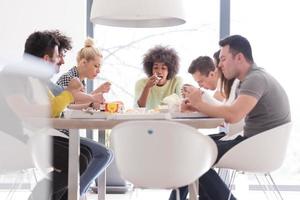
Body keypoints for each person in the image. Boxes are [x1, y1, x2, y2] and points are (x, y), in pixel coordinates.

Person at [170, 35, 291, 200]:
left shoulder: (255, 80)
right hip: (255, 142)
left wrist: (199, 102)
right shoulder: (251, 79)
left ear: (239, 58)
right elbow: (229, 110)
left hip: (257, 147)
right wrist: (197, 105)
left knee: (195, 153)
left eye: (223, 59)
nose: (219, 65)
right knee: (194, 146)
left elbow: (233, 116)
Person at [22, 30, 113, 200]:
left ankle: (68, 195)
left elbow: (56, 108)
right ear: (46, 59)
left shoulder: (41, 81)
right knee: (83, 157)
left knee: (84, 155)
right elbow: (54, 107)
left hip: (50, 132)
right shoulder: (36, 80)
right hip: (38, 136)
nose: (63, 61)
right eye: (59, 55)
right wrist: (74, 95)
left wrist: (83, 99)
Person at [56, 37, 110, 108]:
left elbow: (81, 101)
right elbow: (69, 106)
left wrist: (99, 90)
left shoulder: (81, 81)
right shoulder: (68, 78)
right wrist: (93, 102)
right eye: (96, 66)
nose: (99, 71)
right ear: (83, 62)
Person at [134, 45, 183, 109]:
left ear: (169, 70)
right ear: (150, 69)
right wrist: (147, 87)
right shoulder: (141, 83)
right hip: (148, 118)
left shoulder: (177, 81)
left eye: (163, 68)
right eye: (155, 67)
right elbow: (139, 108)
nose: (159, 71)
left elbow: (181, 104)